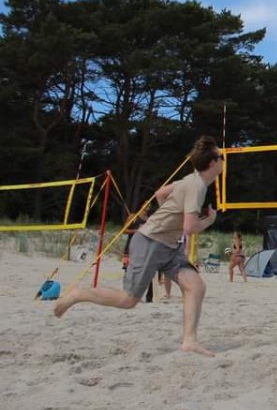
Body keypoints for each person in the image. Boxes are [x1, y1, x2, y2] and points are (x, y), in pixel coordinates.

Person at [54, 135, 224, 356]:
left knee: (196, 286)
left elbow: (160, 194)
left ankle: (189, 341)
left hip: (168, 245)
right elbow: (190, 227)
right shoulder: (197, 185)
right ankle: (78, 294)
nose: (223, 160)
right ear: (212, 163)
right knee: (128, 300)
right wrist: (209, 220)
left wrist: (167, 217)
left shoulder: (189, 180)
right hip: (150, 242)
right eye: (221, 157)